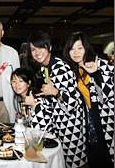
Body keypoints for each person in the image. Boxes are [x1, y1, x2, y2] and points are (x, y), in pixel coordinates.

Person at [27, 30, 87, 168]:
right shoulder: (46, 67)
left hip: (71, 125)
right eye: (33, 49)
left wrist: (55, 92)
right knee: (60, 160)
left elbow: (74, 101)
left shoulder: (59, 67)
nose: (37, 52)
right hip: (59, 122)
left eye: (41, 47)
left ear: (50, 47)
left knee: (74, 163)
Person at [63, 31, 114, 167]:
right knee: (94, 156)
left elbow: (109, 94)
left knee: (107, 155)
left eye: (79, 47)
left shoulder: (100, 64)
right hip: (88, 118)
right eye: (72, 49)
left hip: (105, 117)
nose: (75, 52)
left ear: (86, 47)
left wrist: (96, 74)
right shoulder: (76, 70)